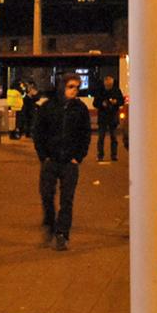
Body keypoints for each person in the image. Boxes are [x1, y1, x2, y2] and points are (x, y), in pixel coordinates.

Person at [33, 74, 91, 251]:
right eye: (71, 86)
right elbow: (38, 133)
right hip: (51, 160)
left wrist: (78, 157)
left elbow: (85, 135)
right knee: (47, 195)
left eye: (77, 87)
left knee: (67, 199)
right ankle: (50, 225)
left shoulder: (80, 109)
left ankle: (62, 234)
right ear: (62, 87)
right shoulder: (48, 107)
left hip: (69, 162)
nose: (74, 90)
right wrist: (44, 156)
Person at [94, 75, 124, 162]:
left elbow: (121, 101)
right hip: (103, 117)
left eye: (110, 85)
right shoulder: (100, 91)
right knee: (101, 137)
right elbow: (95, 103)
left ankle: (114, 155)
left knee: (114, 137)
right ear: (104, 83)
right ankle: (100, 155)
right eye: (107, 85)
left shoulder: (116, 90)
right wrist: (101, 104)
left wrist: (116, 102)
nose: (108, 87)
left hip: (112, 116)